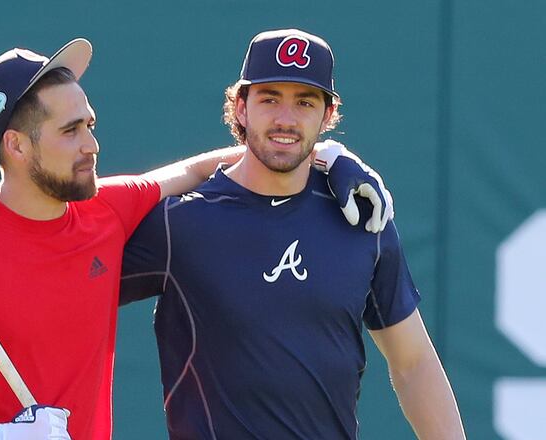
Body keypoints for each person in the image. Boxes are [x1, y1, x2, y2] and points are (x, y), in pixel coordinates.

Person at [0, 39, 390, 440]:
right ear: (17, 145)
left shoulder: (108, 209)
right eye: (71, 130)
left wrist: (325, 153)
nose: (92, 144)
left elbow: (206, 167)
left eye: (89, 125)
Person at [116, 29, 466, 439]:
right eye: (269, 99)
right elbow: (69, 276)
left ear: (327, 115)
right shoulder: (182, 223)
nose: (286, 118)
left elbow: (414, 363)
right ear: (241, 108)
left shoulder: (361, 218)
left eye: (304, 102)